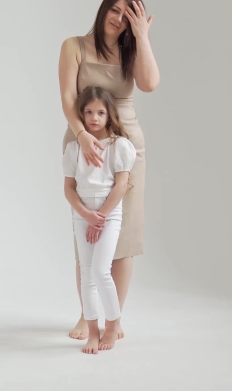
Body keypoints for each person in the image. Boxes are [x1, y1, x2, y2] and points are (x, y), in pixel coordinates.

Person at [59, 0, 160, 340]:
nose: (118, 20)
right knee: (86, 235)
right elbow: (69, 97)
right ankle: (87, 318)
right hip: (84, 142)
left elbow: (150, 83)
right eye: (114, 11)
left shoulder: (132, 50)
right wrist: (81, 135)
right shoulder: (74, 46)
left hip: (126, 146)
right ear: (103, 10)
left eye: (127, 15)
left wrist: (142, 36)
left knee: (123, 236)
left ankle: (114, 319)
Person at [63, 86, 136, 354]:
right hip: (82, 214)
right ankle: (93, 331)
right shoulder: (74, 149)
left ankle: (112, 324)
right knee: (86, 272)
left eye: (100, 112)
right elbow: (69, 189)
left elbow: (121, 186)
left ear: (109, 116)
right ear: (81, 115)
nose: (94, 117)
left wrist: (100, 217)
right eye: (88, 112)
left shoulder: (119, 146)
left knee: (100, 270)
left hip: (108, 214)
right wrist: (86, 215)